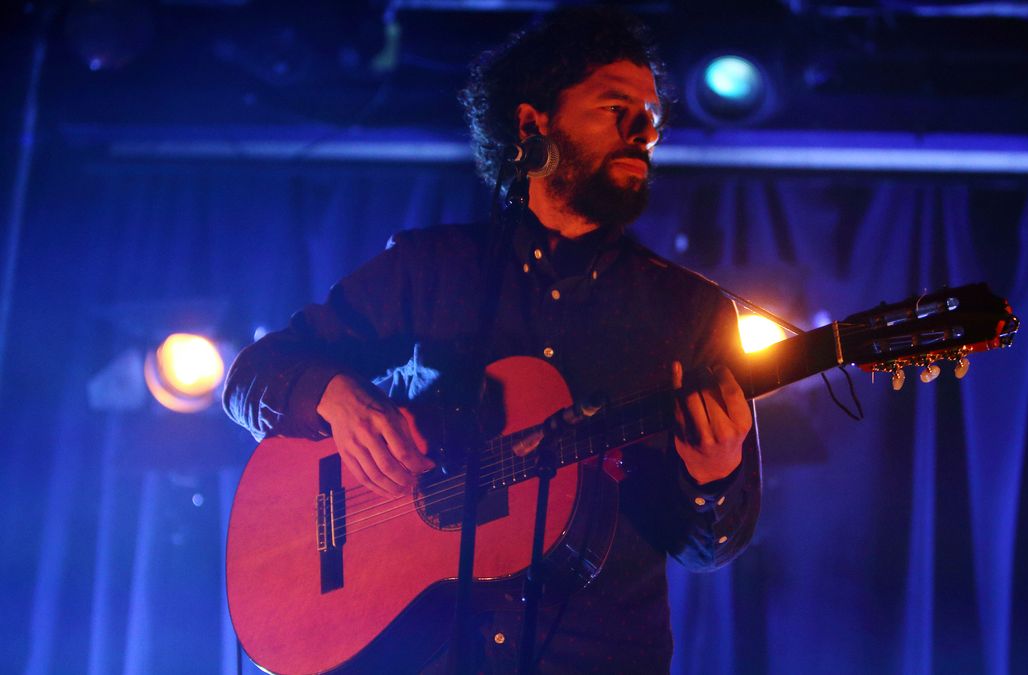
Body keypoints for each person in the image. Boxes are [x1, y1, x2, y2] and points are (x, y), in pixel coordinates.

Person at [223, 7, 760, 673]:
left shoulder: (691, 310)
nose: (644, 130)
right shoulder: (433, 267)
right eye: (615, 107)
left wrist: (715, 477)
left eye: (651, 116)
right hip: (428, 652)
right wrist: (335, 397)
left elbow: (708, 544)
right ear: (533, 125)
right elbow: (253, 373)